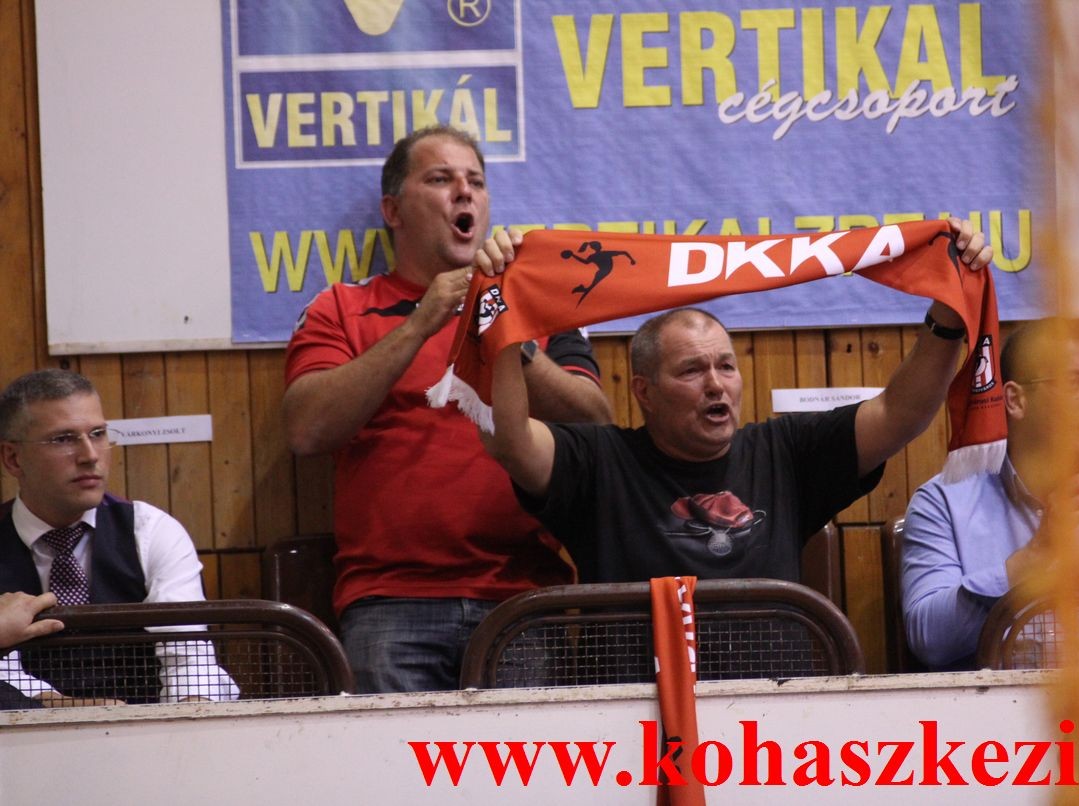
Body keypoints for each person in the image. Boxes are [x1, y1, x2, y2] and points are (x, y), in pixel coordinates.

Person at [478, 219, 992, 584]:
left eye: (725, 366)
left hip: (770, 701)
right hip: (630, 701)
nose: (715, 384)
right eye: (691, 370)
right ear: (644, 392)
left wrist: (948, 313)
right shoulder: (598, 463)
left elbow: (900, 413)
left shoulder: (786, 453)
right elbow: (509, 439)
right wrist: (499, 321)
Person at [282, 125, 613, 693]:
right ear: (393, 210)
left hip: (523, 600)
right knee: (394, 756)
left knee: (532, 756)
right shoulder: (341, 307)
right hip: (391, 602)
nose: (465, 192)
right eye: (440, 179)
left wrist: (509, 329)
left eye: (476, 182)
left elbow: (596, 426)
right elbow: (306, 430)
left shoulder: (539, 307)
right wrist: (420, 324)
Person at [901, 319, 1079, 670]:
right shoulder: (943, 504)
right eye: (1076, 383)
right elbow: (929, 641)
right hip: (994, 702)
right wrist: (1034, 556)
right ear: (1015, 400)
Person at [0, 369, 238, 706]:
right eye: (63, 439)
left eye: (98, 434)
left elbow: (189, 659)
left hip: (146, 727)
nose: (90, 455)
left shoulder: (151, 531)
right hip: (21, 731)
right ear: (13, 458)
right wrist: (64, 708)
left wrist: (187, 715)